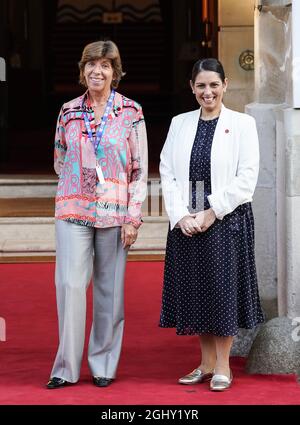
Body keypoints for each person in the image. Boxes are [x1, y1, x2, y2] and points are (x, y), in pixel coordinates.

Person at [46, 40, 148, 389]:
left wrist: (133, 217)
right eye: (91, 64)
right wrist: (81, 183)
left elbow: (139, 169)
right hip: (73, 208)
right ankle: (66, 367)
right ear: (82, 69)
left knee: (109, 290)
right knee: (70, 286)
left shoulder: (131, 112)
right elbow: (60, 160)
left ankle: (104, 362)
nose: (97, 71)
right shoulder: (69, 111)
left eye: (105, 65)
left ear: (114, 72)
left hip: (115, 212)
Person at [159, 58, 264, 391]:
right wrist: (181, 216)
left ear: (225, 84)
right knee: (198, 292)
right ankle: (205, 363)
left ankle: (223, 366)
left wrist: (210, 211)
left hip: (226, 220)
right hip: (188, 223)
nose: (208, 92)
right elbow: (167, 171)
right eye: (201, 85)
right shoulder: (179, 123)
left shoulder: (243, 124)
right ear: (192, 87)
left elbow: (247, 178)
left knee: (222, 292)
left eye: (214, 85)